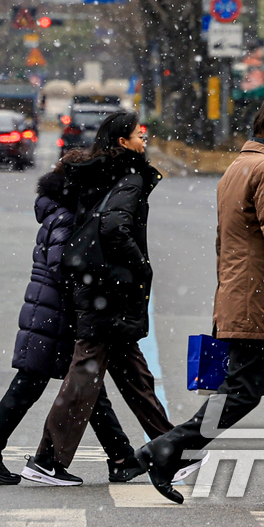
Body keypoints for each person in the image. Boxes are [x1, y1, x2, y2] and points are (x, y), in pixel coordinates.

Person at [136, 96, 264, 506]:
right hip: (261, 302)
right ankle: (167, 449)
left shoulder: (238, 167)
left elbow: (225, 243)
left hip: (253, 297)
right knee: (241, 393)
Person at [0, 133, 148, 486]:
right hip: (55, 314)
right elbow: (62, 268)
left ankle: (121, 457)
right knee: (37, 385)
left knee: (84, 387)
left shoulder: (59, 211)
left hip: (49, 311)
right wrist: (89, 291)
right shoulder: (66, 217)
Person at [19, 112, 174, 486]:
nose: (144, 140)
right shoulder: (129, 175)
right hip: (108, 290)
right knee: (83, 377)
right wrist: (140, 266)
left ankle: (172, 449)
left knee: (134, 375)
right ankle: (46, 459)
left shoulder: (97, 172)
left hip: (95, 286)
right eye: (139, 135)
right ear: (122, 142)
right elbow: (113, 226)